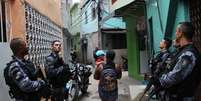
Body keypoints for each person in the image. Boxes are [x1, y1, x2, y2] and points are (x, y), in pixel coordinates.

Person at [153, 22, 201, 101]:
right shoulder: (182, 51)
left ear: (180, 33)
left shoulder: (188, 54)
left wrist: (160, 81)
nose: (175, 34)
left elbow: (176, 76)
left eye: (176, 31)